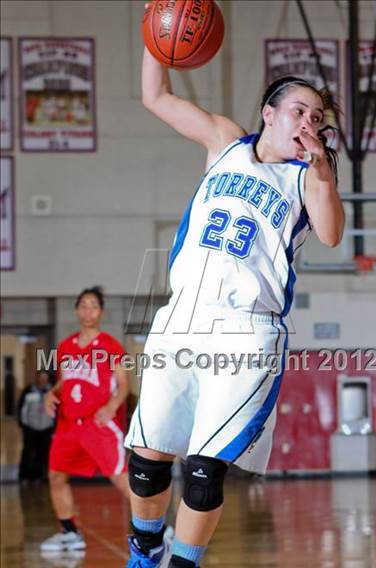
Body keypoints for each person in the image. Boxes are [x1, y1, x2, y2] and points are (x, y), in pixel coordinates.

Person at [124, 39, 345, 568]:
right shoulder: (225, 140)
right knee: (147, 461)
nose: (308, 123)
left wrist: (321, 170)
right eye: (299, 111)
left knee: (204, 468)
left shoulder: (308, 176)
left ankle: (185, 563)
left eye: (317, 117)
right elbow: (155, 96)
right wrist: (157, 28)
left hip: (248, 330)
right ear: (269, 114)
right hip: (181, 318)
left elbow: (333, 234)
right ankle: (146, 549)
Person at [40, 286, 130, 553]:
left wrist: (112, 405)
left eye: (93, 306)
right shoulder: (66, 346)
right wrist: (50, 394)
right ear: (77, 310)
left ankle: (157, 529)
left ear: (100, 312)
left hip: (98, 422)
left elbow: (124, 384)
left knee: (120, 479)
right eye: (83, 305)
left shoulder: (111, 346)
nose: (88, 311)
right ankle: (69, 533)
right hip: (69, 424)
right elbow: (65, 382)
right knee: (56, 477)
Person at [17, 370, 55, 483]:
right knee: (28, 452)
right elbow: (22, 408)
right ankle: (25, 476)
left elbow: (56, 410)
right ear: (37, 378)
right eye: (41, 377)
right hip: (30, 427)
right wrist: (23, 424)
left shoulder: (52, 390)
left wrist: (54, 426)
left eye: (45, 378)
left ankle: (41, 476)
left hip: (46, 427)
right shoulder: (28, 391)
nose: (43, 380)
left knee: (43, 453)